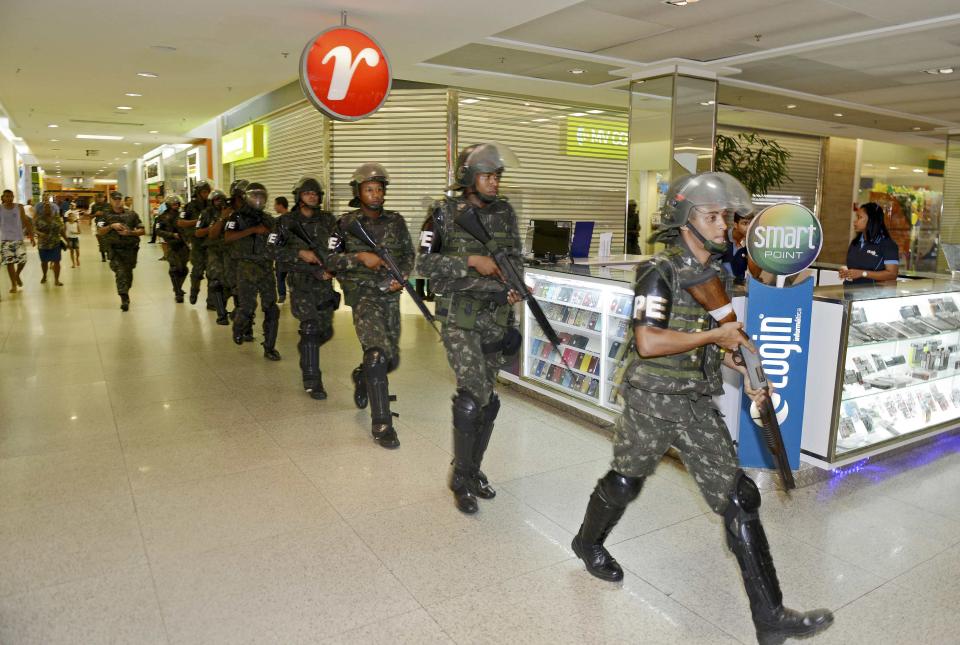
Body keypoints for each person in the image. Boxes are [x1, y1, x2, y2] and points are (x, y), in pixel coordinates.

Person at [569, 171, 833, 645]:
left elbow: (717, 341)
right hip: (650, 398)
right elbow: (648, 342)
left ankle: (771, 618)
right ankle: (587, 543)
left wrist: (742, 363)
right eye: (713, 216)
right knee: (625, 483)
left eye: (727, 216)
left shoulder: (715, 275)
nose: (724, 225)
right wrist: (715, 335)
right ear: (683, 221)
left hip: (692, 400)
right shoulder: (660, 270)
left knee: (740, 500)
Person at [416, 143, 523, 514]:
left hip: (495, 316)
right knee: (471, 395)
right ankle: (460, 478)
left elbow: (515, 257)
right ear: (468, 178)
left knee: (488, 400)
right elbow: (422, 264)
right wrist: (470, 261)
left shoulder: (505, 211)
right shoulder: (442, 214)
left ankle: (473, 469)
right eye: (488, 176)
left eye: (497, 176)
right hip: (459, 316)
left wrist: (516, 288)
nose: (495, 183)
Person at [328, 163, 414, 449]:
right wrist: (360, 257)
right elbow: (330, 260)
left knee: (392, 359)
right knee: (376, 354)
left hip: (389, 293)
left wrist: (401, 277)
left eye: (379, 189)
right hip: (362, 293)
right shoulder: (344, 223)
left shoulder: (396, 221)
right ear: (358, 192)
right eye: (369, 189)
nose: (375, 194)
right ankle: (382, 422)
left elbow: (408, 255)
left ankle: (360, 375)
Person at [267, 176, 338, 395]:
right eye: (308, 193)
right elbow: (270, 250)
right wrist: (299, 253)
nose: (312, 196)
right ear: (299, 197)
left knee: (325, 331)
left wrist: (333, 268)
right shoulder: (285, 222)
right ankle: (312, 380)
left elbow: (339, 247)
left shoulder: (329, 220)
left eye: (315, 194)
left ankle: (306, 349)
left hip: (324, 282)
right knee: (310, 326)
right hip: (300, 282)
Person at [224, 180, 280, 359]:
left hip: (265, 266)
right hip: (245, 266)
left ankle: (269, 347)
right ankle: (239, 327)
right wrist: (253, 230)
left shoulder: (268, 219)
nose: (258, 199)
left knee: (271, 307)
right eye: (255, 196)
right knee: (247, 307)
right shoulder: (236, 217)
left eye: (261, 196)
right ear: (247, 198)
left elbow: (279, 239)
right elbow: (228, 237)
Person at [95, 191, 144, 311]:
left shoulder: (132, 214)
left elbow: (142, 230)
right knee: (120, 272)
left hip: (131, 250)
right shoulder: (105, 216)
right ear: (110, 201)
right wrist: (111, 226)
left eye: (119, 199)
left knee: (128, 275)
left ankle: (125, 291)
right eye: (114, 199)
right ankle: (124, 299)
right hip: (114, 250)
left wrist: (130, 233)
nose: (117, 201)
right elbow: (100, 231)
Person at [838, 202, 899, 284]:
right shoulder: (855, 243)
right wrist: (846, 271)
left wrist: (863, 273)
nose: (855, 222)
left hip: (872, 295)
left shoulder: (887, 244)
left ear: (871, 219)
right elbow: (855, 268)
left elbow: (892, 274)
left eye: (860, 217)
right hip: (850, 293)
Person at [196, 189, 231, 325]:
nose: (219, 202)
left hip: (230, 250)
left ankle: (219, 304)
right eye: (216, 200)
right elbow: (198, 232)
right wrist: (214, 226)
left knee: (230, 282)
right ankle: (221, 314)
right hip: (213, 250)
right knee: (216, 280)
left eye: (221, 199)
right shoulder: (206, 214)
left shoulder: (231, 212)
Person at [181, 179, 211, 305]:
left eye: (208, 192)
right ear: (198, 192)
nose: (206, 194)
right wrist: (199, 221)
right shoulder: (189, 206)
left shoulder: (212, 204)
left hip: (211, 243)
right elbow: (181, 222)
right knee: (197, 271)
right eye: (204, 192)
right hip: (197, 242)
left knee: (213, 273)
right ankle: (194, 292)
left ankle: (212, 301)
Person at [155, 194, 189, 303]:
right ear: (168, 205)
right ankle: (178, 292)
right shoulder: (162, 217)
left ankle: (177, 287)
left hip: (183, 245)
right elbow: (158, 231)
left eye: (177, 203)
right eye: (173, 204)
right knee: (174, 268)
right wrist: (171, 235)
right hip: (171, 245)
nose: (176, 205)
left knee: (184, 269)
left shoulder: (183, 215)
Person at [1, 189, 35, 294]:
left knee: (23, 260)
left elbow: (26, 222)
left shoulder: (19, 207)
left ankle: (17, 275)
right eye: (6, 196)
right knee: (9, 263)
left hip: (18, 239)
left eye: (10, 196)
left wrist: (32, 236)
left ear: (13, 197)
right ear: (3, 198)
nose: (9, 198)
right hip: (5, 240)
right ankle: (13, 284)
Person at [34, 202, 66, 286]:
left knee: (57, 261)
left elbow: (61, 230)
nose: (47, 209)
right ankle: (44, 275)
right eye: (45, 208)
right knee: (44, 262)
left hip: (55, 243)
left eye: (49, 208)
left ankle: (56, 280)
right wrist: (40, 234)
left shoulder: (57, 218)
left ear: (52, 209)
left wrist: (67, 240)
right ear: (43, 209)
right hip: (43, 244)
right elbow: (34, 229)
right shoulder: (39, 218)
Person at [721, 211, 753, 283]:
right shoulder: (722, 238)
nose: (749, 227)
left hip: (741, 286)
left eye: (751, 223)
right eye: (745, 223)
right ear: (735, 225)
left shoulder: (752, 243)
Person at [273, 196, 290, 304]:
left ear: (280, 205)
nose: (274, 207)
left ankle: (282, 296)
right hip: (293, 254)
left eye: (275, 204)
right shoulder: (295, 217)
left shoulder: (278, 221)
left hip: (283, 253)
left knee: (280, 276)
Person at [89, 194, 109, 262]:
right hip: (99, 224)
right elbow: (91, 216)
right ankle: (103, 256)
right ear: (97, 198)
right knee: (101, 241)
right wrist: (95, 214)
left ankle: (109, 253)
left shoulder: (108, 205)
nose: (100, 199)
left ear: (104, 198)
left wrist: (104, 213)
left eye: (101, 197)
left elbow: (113, 214)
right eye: (99, 198)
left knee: (108, 240)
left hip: (108, 223)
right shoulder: (94, 206)